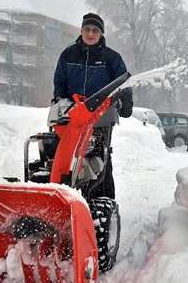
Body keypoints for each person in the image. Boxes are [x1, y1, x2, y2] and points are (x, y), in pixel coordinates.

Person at [52, 12, 133, 200]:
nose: (90, 34)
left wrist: (126, 101)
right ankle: (58, 191)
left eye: (95, 30)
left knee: (99, 157)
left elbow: (123, 82)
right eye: (87, 29)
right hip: (71, 115)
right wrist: (60, 101)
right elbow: (59, 82)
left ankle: (102, 200)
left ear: (101, 34)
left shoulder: (111, 58)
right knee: (62, 154)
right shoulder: (68, 54)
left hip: (101, 117)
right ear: (81, 31)